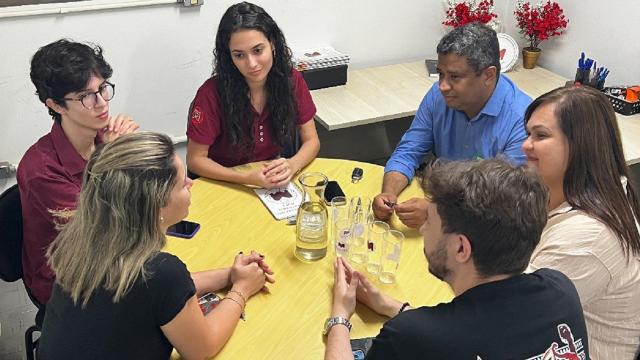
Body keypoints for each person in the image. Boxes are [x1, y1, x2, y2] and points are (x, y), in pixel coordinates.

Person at [37, 132, 275, 359]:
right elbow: (202, 348)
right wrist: (241, 289)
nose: (191, 184)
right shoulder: (160, 272)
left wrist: (230, 275)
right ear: (156, 205)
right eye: (182, 184)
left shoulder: (88, 239)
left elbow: (163, 292)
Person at [326, 159, 589, 359]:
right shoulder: (560, 290)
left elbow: (442, 337)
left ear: (461, 248)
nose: (422, 229)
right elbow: (477, 335)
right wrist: (391, 305)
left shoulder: (409, 337)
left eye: (430, 220)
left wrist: (340, 315)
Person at [372, 23, 531, 229]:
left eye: (455, 77)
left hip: (486, 225)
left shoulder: (523, 120)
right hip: (440, 202)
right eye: (440, 74)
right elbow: (409, 152)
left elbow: (502, 199)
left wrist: (437, 213)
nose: (443, 86)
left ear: (488, 75)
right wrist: (389, 192)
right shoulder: (438, 97)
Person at [17, 39, 139, 306]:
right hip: (65, 277)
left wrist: (127, 152)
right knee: (161, 289)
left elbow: (140, 203)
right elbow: (98, 229)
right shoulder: (41, 170)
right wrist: (112, 159)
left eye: (103, 88)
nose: (101, 103)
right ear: (57, 105)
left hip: (111, 251)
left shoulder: (101, 138)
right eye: (86, 96)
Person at [523, 86, 640, 360]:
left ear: (580, 146)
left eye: (540, 136)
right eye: (528, 134)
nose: (525, 145)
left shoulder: (587, 237)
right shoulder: (568, 195)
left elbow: (509, 319)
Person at [186, 1, 320, 189]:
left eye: (258, 50)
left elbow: (312, 140)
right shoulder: (210, 94)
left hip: (270, 181)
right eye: (239, 55)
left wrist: (292, 164)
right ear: (229, 57)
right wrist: (246, 178)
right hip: (224, 184)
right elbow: (195, 160)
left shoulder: (291, 80)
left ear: (272, 43)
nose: (252, 64)